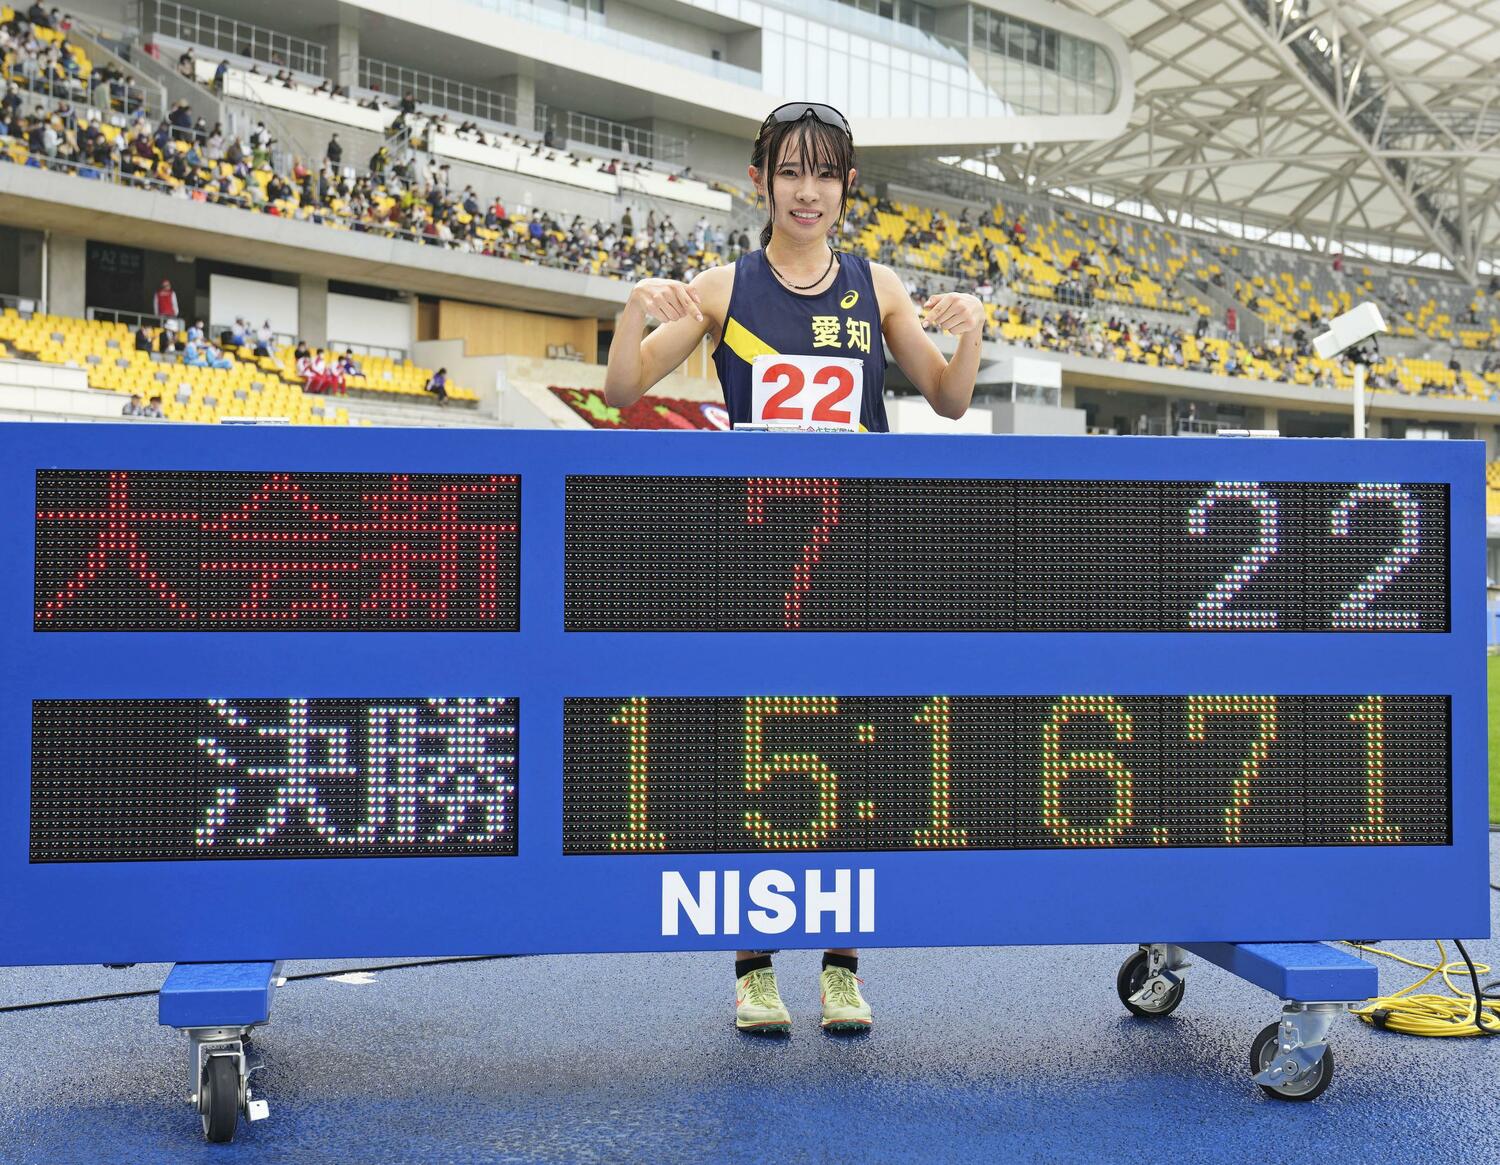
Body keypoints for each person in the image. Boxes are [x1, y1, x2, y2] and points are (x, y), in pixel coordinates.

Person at [602, 101, 982, 1035]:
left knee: (861, 754)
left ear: (846, 186)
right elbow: (622, 391)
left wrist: (970, 324)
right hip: (756, 559)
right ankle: (754, 966)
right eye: (789, 173)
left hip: (861, 558)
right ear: (760, 181)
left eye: (823, 175)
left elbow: (949, 397)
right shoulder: (723, 289)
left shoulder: (880, 287)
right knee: (752, 755)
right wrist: (627, 314)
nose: (805, 192)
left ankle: (844, 967)